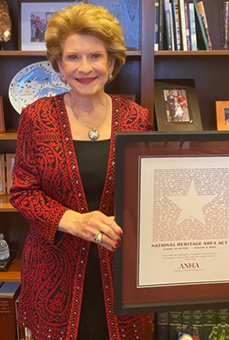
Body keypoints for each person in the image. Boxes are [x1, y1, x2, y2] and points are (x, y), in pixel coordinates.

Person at [9, 3, 152, 340]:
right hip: (52, 274)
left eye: (95, 56)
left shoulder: (137, 118)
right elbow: (22, 191)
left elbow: (149, 190)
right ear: (59, 64)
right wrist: (71, 220)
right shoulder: (36, 117)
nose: (84, 68)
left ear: (112, 62)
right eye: (73, 57)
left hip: (119, 273)